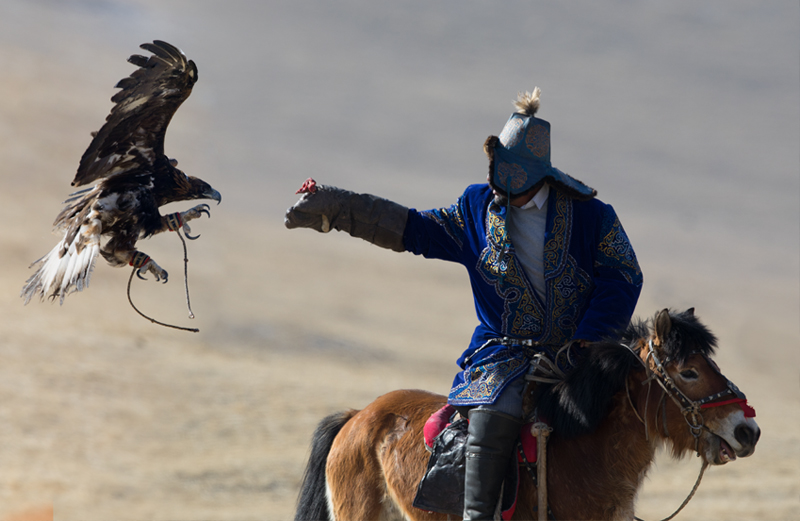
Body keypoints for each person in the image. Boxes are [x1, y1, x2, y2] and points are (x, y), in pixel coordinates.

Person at [284, 88, 643, 520]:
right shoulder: (476, 207)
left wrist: (588, 339)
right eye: (498, 185)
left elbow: (624, 275)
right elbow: (413, 229)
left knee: (626, 414)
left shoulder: (592, 216)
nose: (502, 199)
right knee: (497, 412)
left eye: (515, 190)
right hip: (503, 356)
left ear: (542, 178)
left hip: (576, 352)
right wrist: (338, 207)